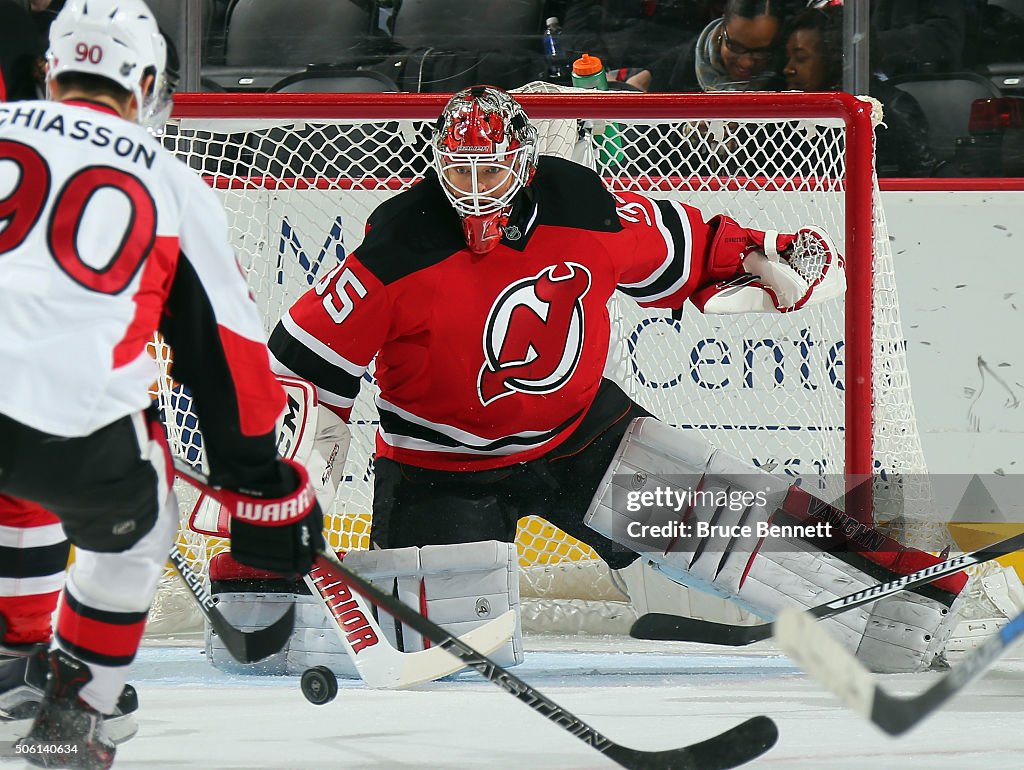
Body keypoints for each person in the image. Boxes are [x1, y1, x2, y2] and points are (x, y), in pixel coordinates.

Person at [267, 84, 969, 679]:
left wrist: (763, 259)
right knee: (431, 654)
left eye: (491, 171)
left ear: (524, 161)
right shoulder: (397, 246)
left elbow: (684, 244)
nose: (475, 191)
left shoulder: (582, 207)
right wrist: (299, 471)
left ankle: (903, 592)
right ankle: (254, 598)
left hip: (584, 440)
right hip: (440, 469)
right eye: (461, 172)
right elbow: (304, 367)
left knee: (742, 524)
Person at [0, 1, 324, 767]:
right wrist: (261, 493)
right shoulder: (168, 180)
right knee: (140, 532)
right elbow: (226, 355)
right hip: (77, 429)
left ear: (51, 71)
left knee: (18, 494)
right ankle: (78, 708)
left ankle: (11, 673)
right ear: (144, 81)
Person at [782, 4, 942, 177]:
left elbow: (921, 178)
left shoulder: (893, 109)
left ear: (837, 57)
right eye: (788, 58)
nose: (787, 69)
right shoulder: (786, 115)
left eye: (801, 58)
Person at [626, 0, 788, 92]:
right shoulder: (680, 66)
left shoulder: (786, 78)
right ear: (721, 28)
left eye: (760, 52)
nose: (746, 63)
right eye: (735, 47)